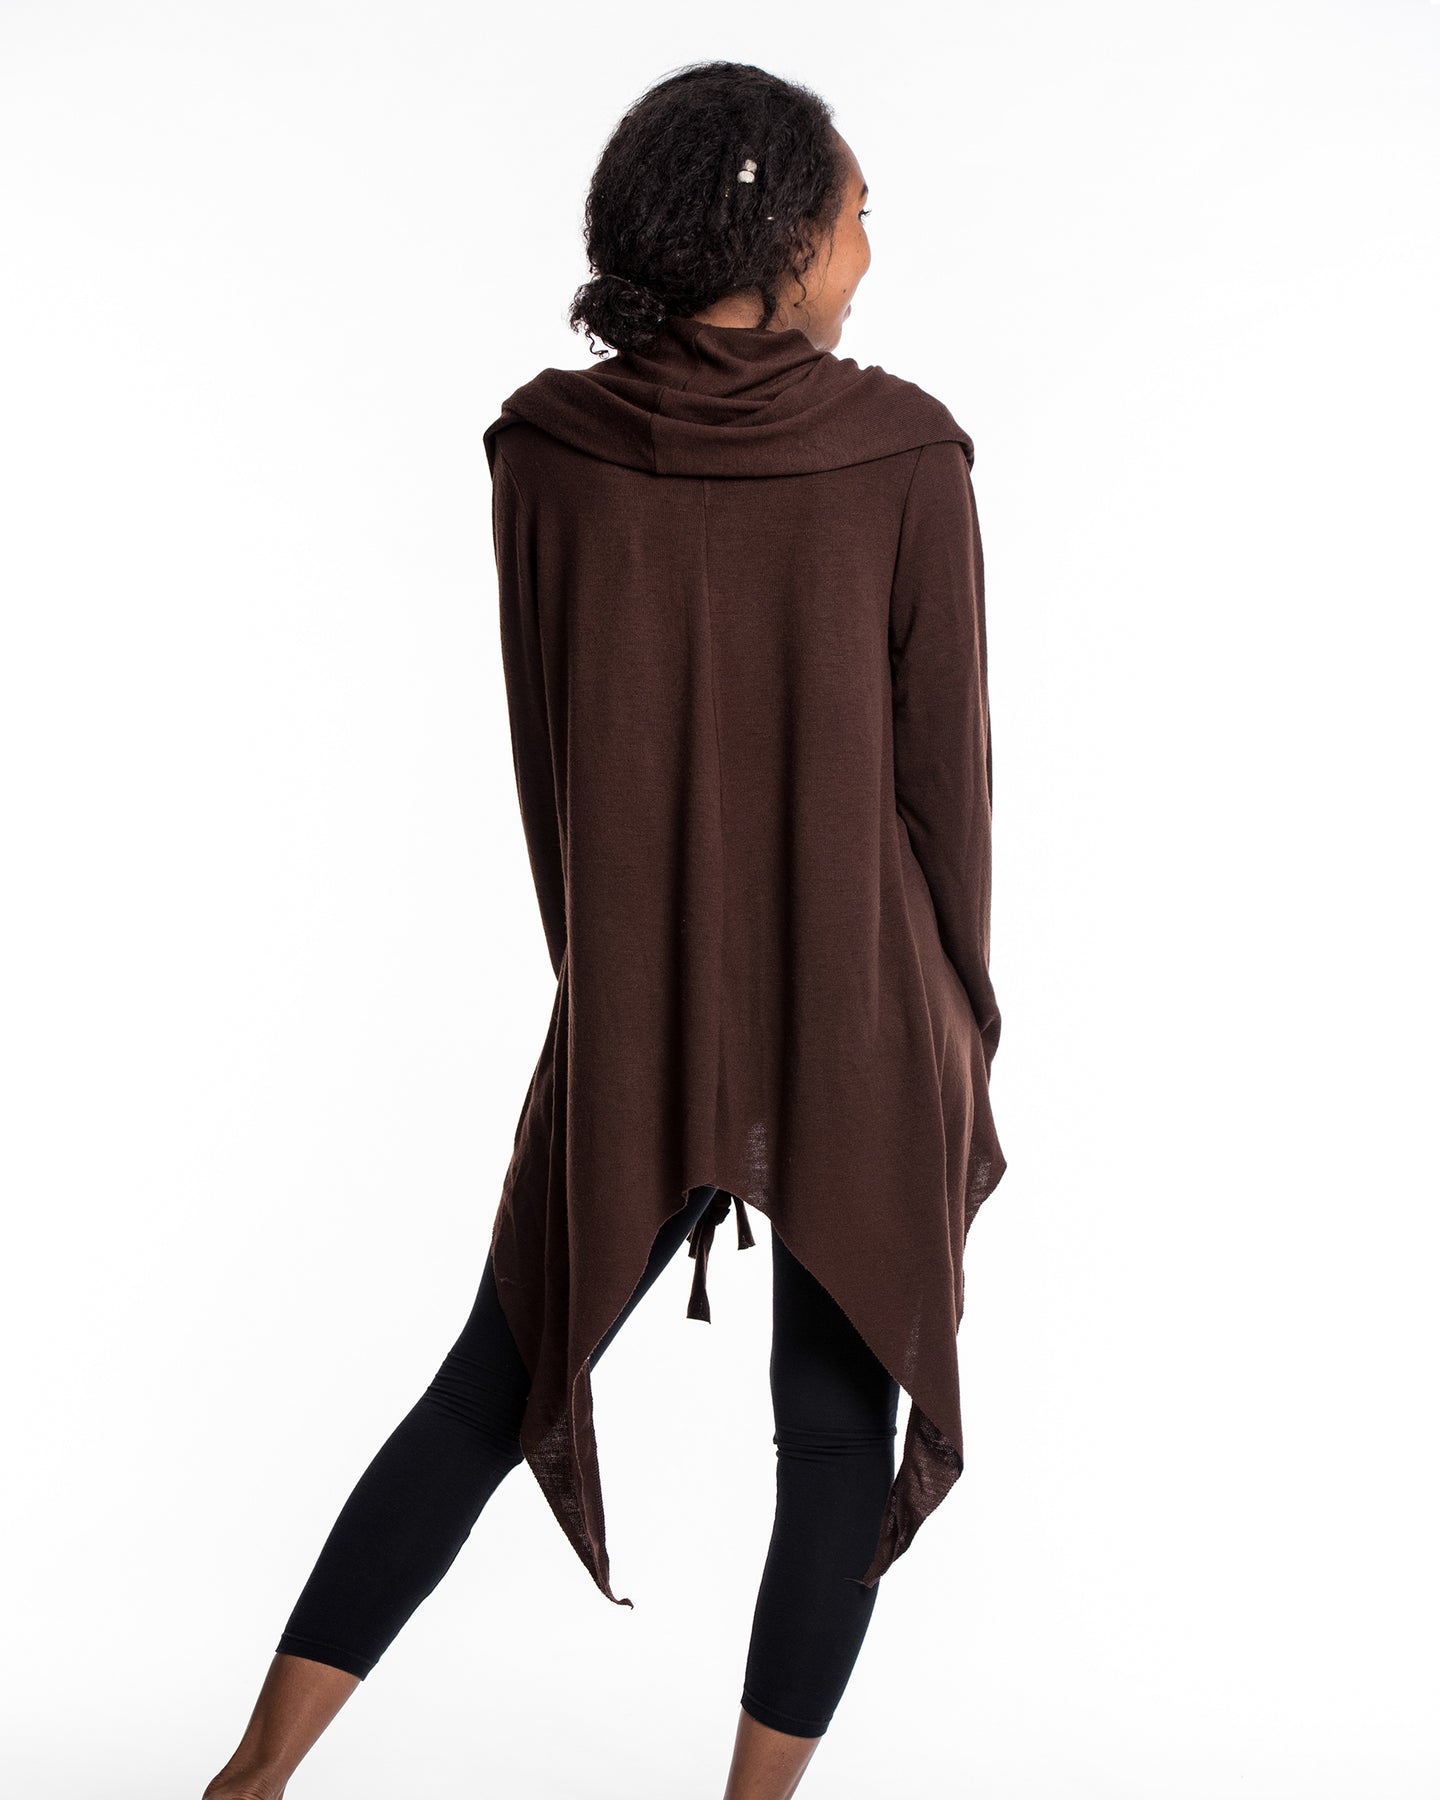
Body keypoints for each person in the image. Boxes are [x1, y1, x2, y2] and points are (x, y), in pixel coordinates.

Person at [204, 58, 1004, 1800]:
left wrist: (623, 980)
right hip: (861, 1014)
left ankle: (246, 1781)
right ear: (779, 237)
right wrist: (958, 1033)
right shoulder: (904, 454)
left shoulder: (546, 454)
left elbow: (550, 764)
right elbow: (950, 795)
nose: (872, 248)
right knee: (835, 1440)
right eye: (857, 214)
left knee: (484, 1393)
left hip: (636, 1001)